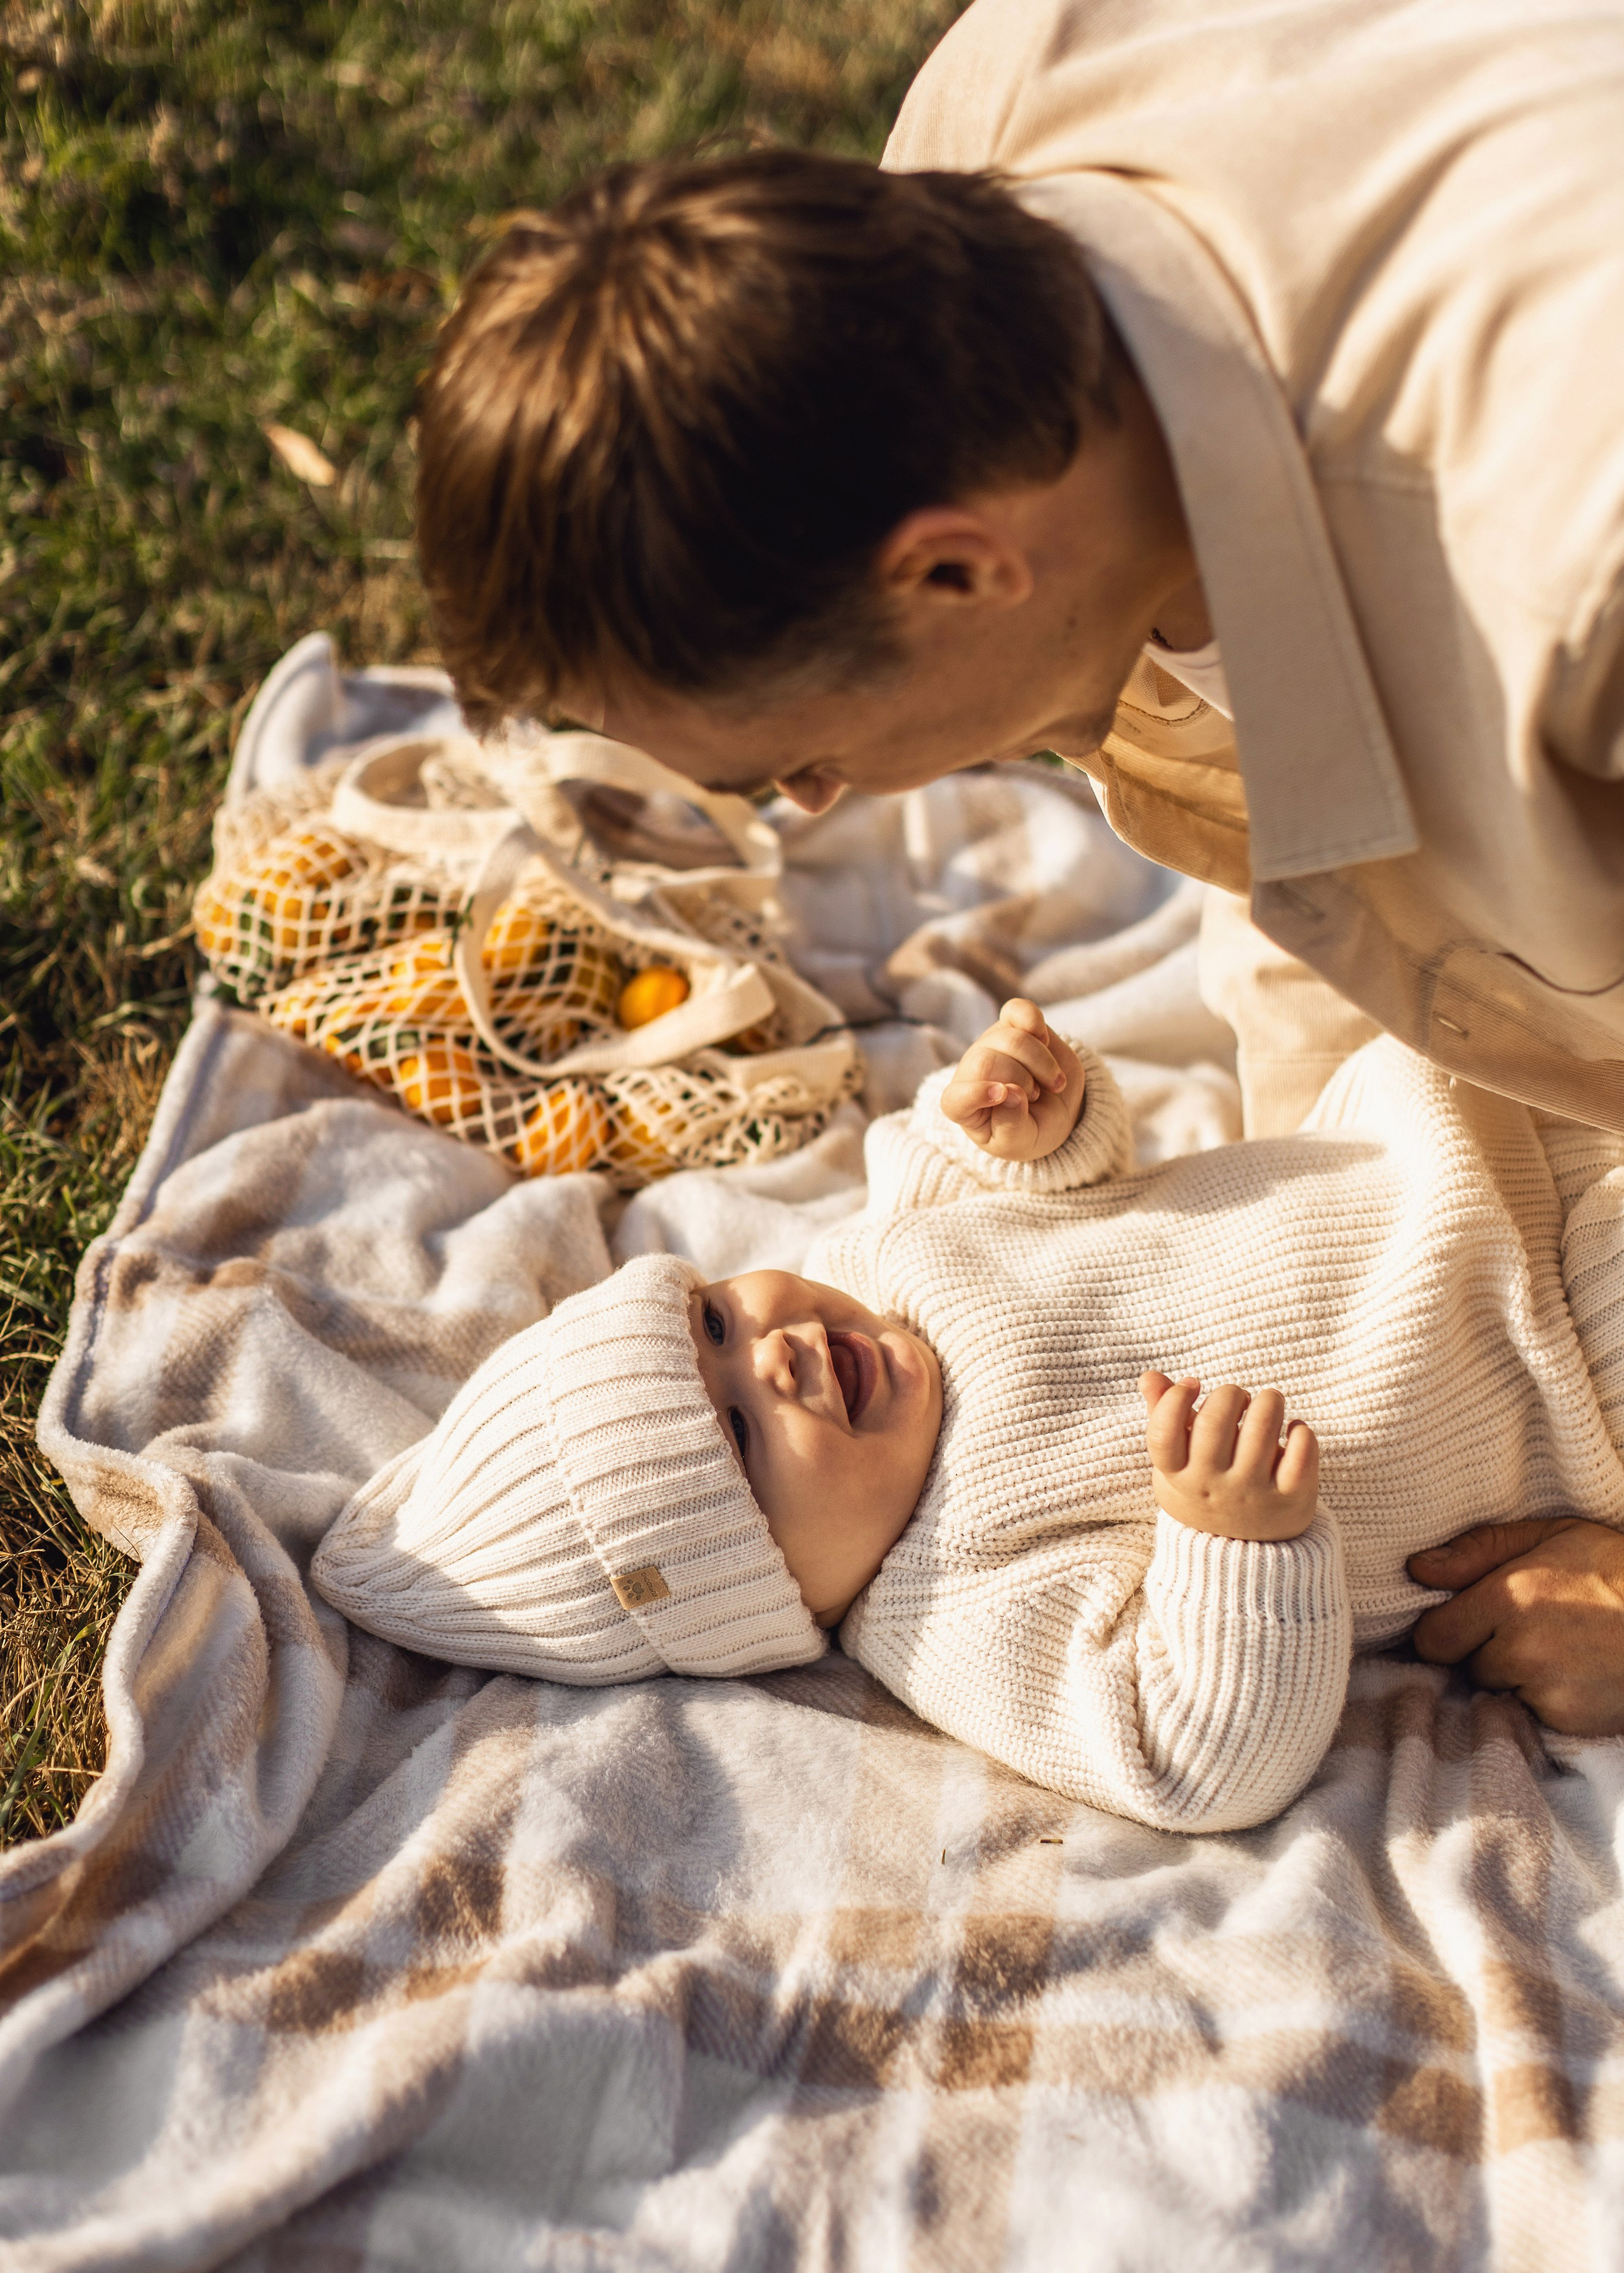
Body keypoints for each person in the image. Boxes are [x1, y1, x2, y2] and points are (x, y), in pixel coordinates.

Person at [410, 6, 1624, 1724]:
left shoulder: (1573, 582)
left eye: (800, 762)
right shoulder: (993, 148)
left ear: (961, 572)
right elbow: (1301, 790)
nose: (822, 805)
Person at [314, 1003, 1624, 1829]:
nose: (774, 1356)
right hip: (1577, 1378)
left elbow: (1002, 1174)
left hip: (1471, 1124)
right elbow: (1187, 1756)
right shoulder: (950, 1608)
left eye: (711, 1318)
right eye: (735, 1439)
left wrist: (1026, 1119)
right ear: (780, 1596)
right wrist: (1234, 1550)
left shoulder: (886, 1262)